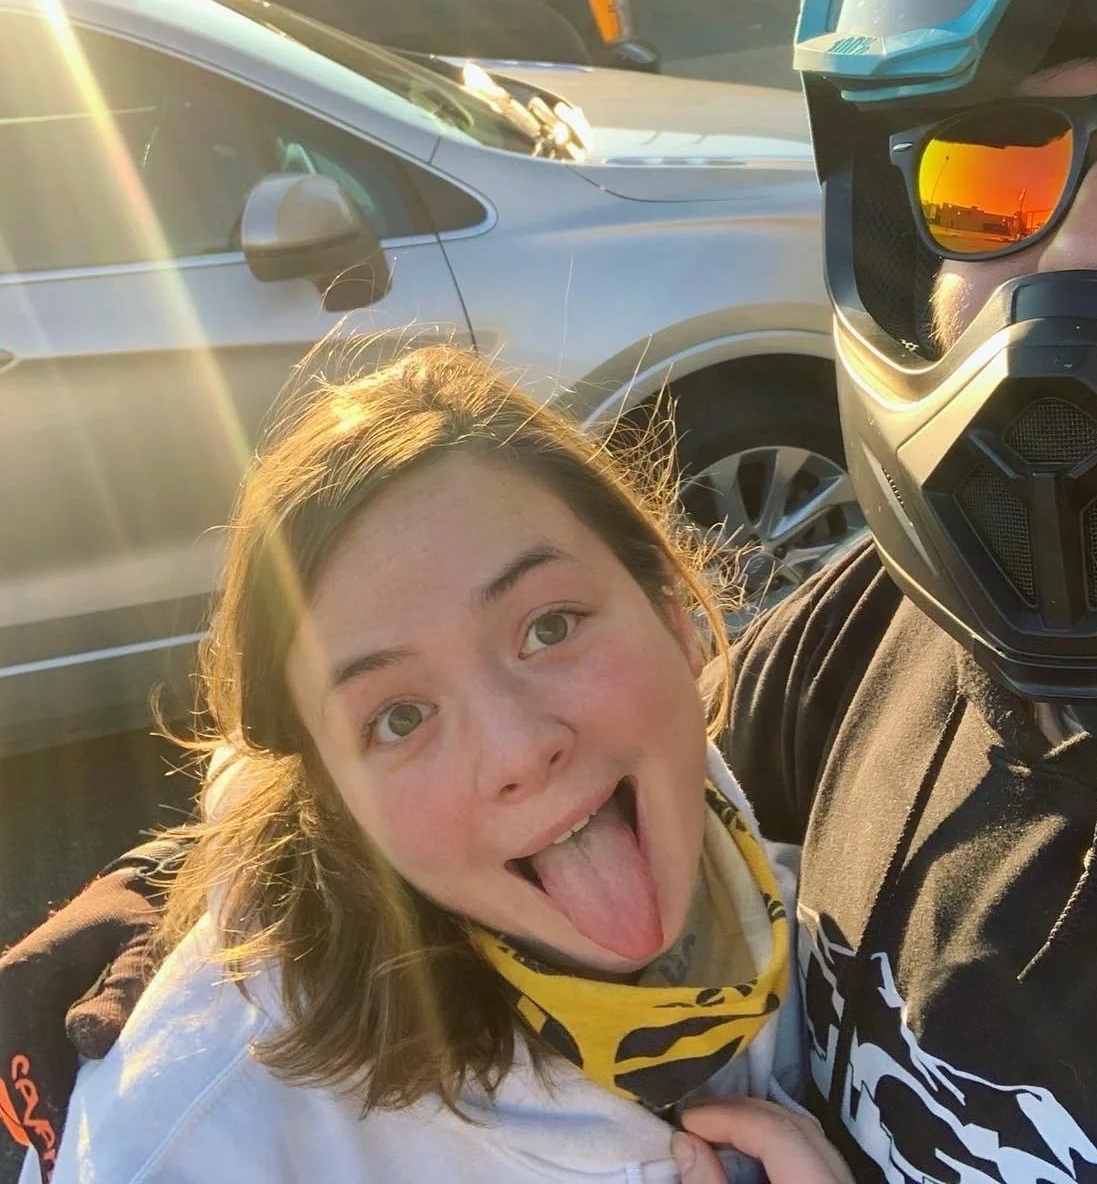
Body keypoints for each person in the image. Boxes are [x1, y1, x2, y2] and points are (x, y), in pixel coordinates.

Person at [12, 0, 1097, 1180]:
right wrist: (224, 887)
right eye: (990, 178)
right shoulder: (895, 633)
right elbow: (600, 744)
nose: (1085, 253)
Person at [7, 342, 850, 1184]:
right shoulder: (194, 1145)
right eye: (399, 717)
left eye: (549, 626)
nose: (517, 752)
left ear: (671, 609)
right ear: (337, 800)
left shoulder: (828, 891)